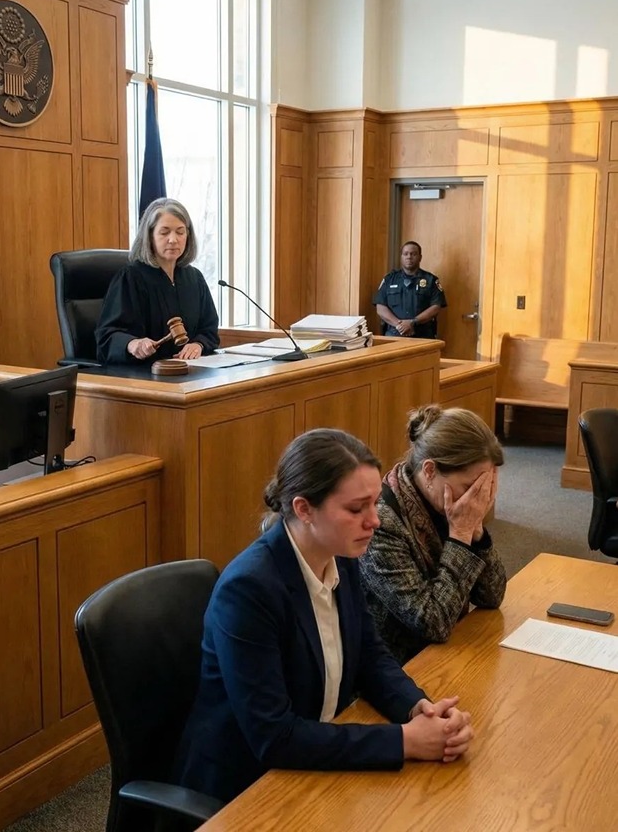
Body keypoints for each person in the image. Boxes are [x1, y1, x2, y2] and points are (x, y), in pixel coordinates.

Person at [175, 429, 474, 803]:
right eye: (356, 509)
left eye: (374, 504)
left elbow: (369, 655)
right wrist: (404, 741)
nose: (375, 521)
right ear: (304, 509)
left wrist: (418, 709)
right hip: (245, 788)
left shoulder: (340, 556)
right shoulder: (249, 590)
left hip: (310, 762)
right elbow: (274, 737)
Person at [359, 405, 507, 666]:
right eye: (471, 487)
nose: (479, 498)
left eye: (485, 486)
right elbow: (432, 622)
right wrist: (461, 534)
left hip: (447, 653)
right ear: (429, 471)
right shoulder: (382, 522)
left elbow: (492, 596)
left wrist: (475, 531)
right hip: (398, 667)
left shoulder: (450, 505)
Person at [95, 198, 220, 364]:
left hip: (190, 370)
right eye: (164, 232)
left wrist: (198, 344)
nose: (173, 239)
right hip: (143, 371)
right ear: (149, 236)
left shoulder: (194, 278)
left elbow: (209, 329)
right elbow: (107, 336)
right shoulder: (131, 278)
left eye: (180, 232)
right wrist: (132, 344)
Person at [373, 241, 447, 338]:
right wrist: (400, 326)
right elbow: (380, 307)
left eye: (413, 254)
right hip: (394, 335)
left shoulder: (431, 280)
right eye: (406, 254)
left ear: (420, 257)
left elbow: (436, 307)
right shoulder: (389, 279)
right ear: (401, 257)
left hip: (423, 336)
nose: (409, 257)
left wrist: (413, 322)